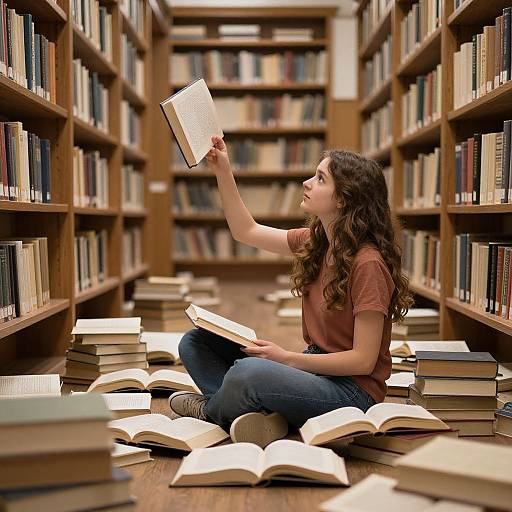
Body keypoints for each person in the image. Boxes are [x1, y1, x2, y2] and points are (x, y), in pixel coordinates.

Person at [169, 135, 413, 447]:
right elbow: (247, 231)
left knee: (248, 374)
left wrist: (285, 360)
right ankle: (258, 414)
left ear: (343, 199)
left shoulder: (368, 265)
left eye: (320, 178)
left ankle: (212, 412)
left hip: (352, 392)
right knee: (196, 341)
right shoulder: (316, 243)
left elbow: (363, 362)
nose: (307, 182)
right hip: (316, 372)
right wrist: (222, 170)